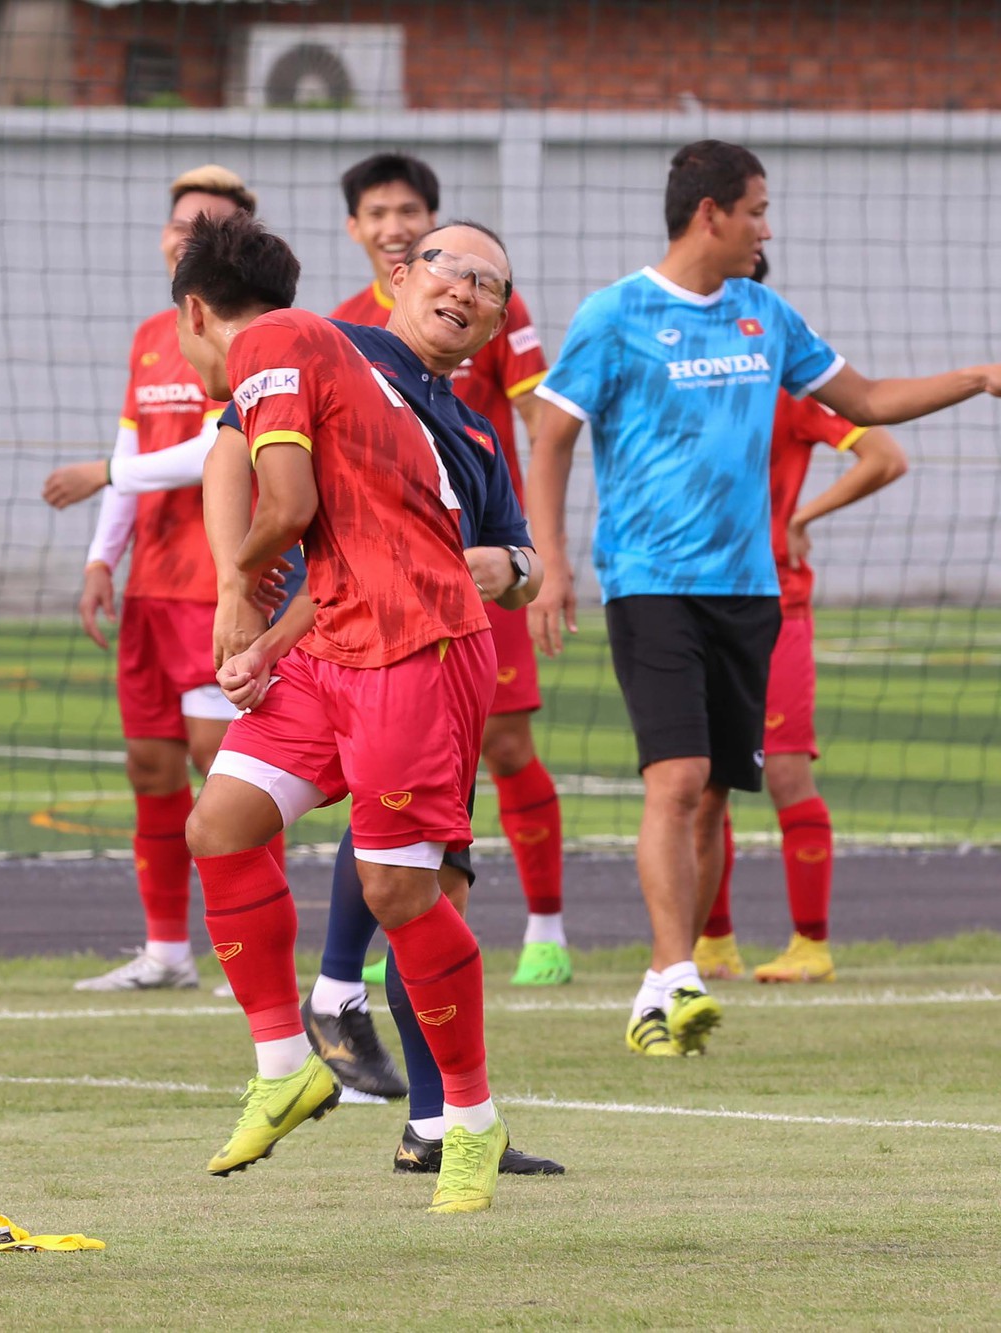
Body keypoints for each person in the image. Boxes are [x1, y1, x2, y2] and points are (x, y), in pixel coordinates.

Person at [527, 139, 1001, 1057]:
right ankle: (678, 976)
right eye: (756, 211)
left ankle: (655, 988)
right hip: (651, 583)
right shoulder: (614, 315)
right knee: (672, 780)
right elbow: (550, 442)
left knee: (711, 794)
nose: (766, 229)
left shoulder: (764, 314)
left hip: (750, 591)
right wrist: (552, 560)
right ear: (710, 213)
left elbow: (866, 399)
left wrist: (980, 377)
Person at [175, 210, 523, 1214]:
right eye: (447, 270)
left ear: (193, 311)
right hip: (335, 641)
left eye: (486, 286)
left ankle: (467, 1119)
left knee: (399, 894)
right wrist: (264, 639)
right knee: (220, 824)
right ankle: (287, 1063)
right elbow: (283, 502)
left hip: (418, 647)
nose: (462, 292)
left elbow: (285, 511)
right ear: (398, 276)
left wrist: (233, 592)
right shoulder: (338, 349)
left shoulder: (278, 345)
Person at [317, 152, 570, 992]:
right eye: (379, 212)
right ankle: (334, 988)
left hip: (477, 568)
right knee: (353, 771)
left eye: (410, 209)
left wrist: (537, 560)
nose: (394, 222)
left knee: (502, 741)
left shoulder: (481, 297)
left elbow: (539, 419)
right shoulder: (334, 334)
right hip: (363, 604)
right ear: (366, 238)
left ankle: (544, 927)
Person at [39, 165, 275, 993]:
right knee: (151, 766)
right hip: (151, 588)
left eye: (207, 222)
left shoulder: (260, 338)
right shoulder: (153, 334)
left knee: (233, 772)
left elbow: (215, 445)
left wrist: (105, 473)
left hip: (224, 584)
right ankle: (166, 951)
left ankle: (249, 951)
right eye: (179, 221)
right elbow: (137, 448)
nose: (186, 233)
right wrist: (104, 556)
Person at [694, 258, 908, 985]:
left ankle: (810, 944)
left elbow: (885, 454)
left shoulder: (790, 382)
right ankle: (711, 942)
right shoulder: (681, 374)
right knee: (698, 778)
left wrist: (801, 517)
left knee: (784, 770)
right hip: (689, 599)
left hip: (775, 604)